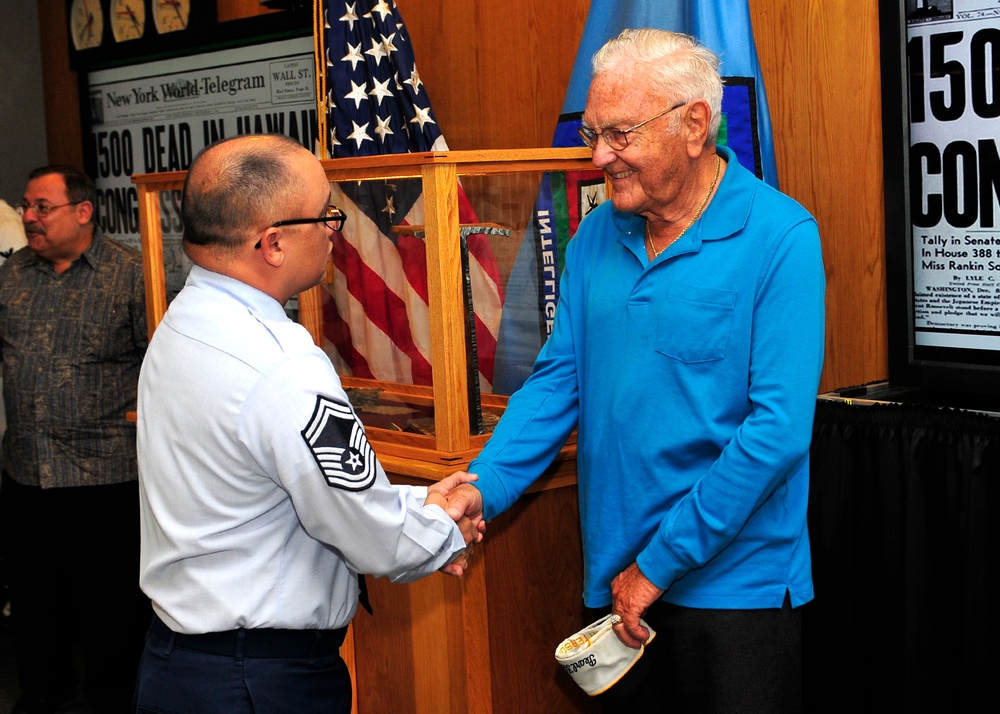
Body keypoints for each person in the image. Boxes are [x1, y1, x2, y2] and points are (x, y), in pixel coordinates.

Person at [444, 28, 826, 713]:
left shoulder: (781, 238)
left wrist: (658, 564)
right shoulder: (597, 233)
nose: (598, 157)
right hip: (614, 587)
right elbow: (560, 380)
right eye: (594, 133)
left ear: (695, 125)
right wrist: (484, 487)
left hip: (733, 594)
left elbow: (775, 434)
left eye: (620, 134)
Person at [134, 133, 481, 714]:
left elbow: (282, 489)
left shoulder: (184, 320)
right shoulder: (280, 362)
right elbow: (362, 527)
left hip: (180, 667)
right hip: (257, 682)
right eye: (325, 214)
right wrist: (445, 528)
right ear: (271, 244)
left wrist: (419, 508)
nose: (332, 229)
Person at [0, 166, 149, 713]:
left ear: (82, 212)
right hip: (24, 470)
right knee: (33, 599)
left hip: (102, 475)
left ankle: (112, 700)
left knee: (107, 605)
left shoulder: (130, 275)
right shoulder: (13, 274)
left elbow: (163, 364)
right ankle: (43, 690)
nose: (29, 218)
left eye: (42, 207)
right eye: (25, 207)